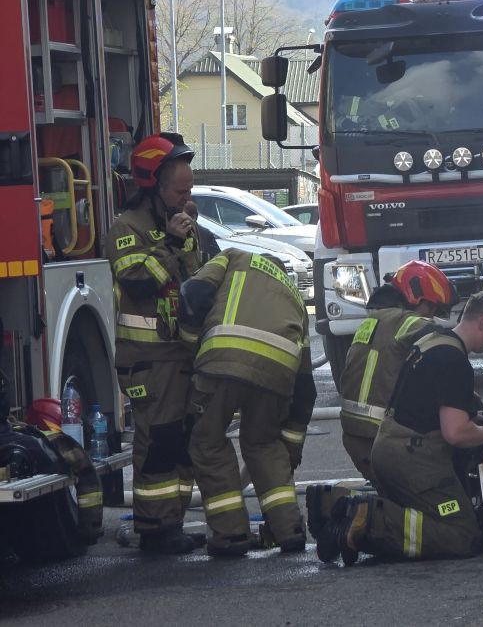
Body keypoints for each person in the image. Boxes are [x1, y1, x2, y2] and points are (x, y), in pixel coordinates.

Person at [316, 289, 483, 565]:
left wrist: (473, 419)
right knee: (462, 534)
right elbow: (454, 433)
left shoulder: (432, 343)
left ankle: (330, 503)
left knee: (415, 518)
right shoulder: (454, 360)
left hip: (388, 452)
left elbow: (427, 405)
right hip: (414, 463)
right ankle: (366, 517)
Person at [178, 249, 316, 557]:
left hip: (224, 358)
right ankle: (289, 529)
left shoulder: (234, 257)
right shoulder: (294, 296)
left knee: (207, 442)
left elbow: (194, 293)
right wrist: (290, 450)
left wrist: (190, 349)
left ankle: (231, 534)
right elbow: (306, 387)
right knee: (264, 444)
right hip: (279, 371)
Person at [104, 132, 204, 554]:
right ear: (154, 186)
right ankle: (154, 528)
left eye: (189, 190)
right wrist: (172, 243)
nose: (186, 199)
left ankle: (172, 522)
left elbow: (197, 278)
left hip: (180, 354)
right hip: (148, 360)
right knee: (158, 441)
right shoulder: (127, 228)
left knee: (181, 442)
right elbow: (138, 280)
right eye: (180, 192)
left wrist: (188, 236)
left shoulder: (180, 223)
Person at [305, 262, 455, 534]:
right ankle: (361, 518)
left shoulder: (372, 321)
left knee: (393, 497)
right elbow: (447, 356)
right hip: (386, 441)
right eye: (433, 308)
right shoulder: (410, 323)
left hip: (356, 438)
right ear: (417, 299)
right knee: (439, 507)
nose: (433, 316)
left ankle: (332, 503)